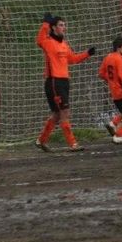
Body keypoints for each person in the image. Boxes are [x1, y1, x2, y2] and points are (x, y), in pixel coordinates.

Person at [35, 13, 94, 152]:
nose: (64, 28)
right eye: (61, 25)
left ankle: (41, 140)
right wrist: (45, 24)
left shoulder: (64, 44)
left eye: (64, 25)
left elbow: (72, 59)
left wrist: (87, 53)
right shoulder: (48, 42)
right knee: (65, 112)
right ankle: (73, 143)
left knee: (57, 114)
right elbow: (39, 40)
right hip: (54, 81)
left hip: (64, 81)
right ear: (54, 27)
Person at [98, 36, 122, 145]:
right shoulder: (119, 59)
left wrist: (111, 80)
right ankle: (118, 135)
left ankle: (113, 123)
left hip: (114, 91)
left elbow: (101, 73)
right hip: (121, 91)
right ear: (118, 47)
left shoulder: (108, 57)